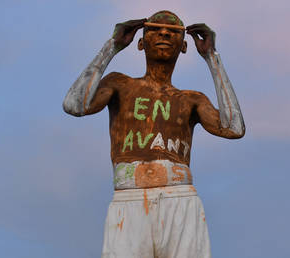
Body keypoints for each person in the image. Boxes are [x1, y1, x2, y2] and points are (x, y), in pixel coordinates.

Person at [63, 10, 245, 258]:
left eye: (172, 32)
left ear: (183, 46)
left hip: (179, 196)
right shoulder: (120, 84)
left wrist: (212, 57)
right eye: (155, 30)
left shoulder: (191, 99)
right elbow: (75, 105)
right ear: (140, 42)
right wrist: (112, 47)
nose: (164, 34)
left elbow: (234, 128)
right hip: (129, 196)